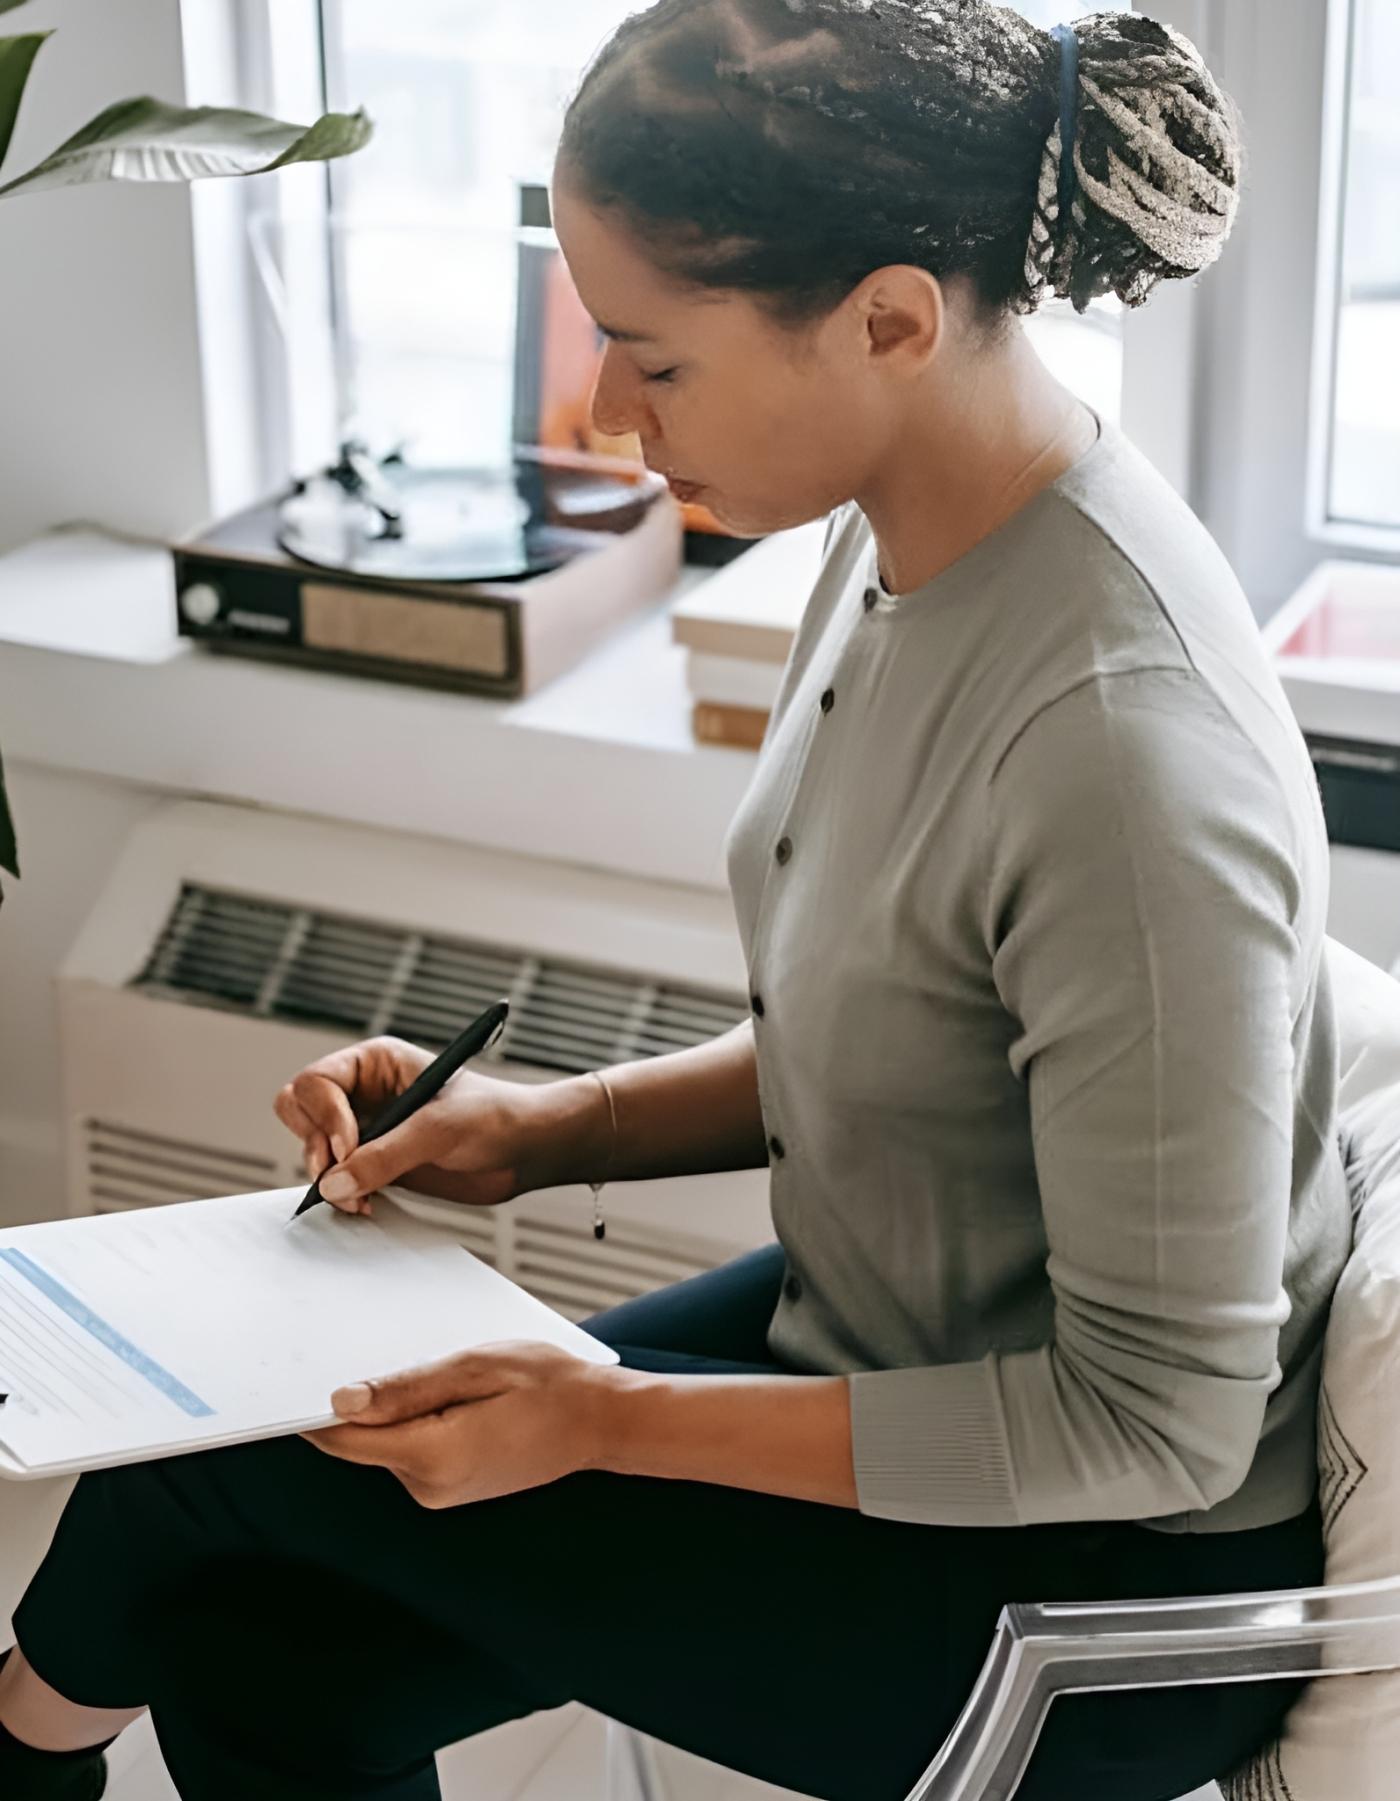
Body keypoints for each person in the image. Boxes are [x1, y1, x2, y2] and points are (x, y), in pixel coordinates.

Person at [0, 5, 1353, 1799]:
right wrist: (537, 1133)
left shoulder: (1120, 748)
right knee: (261, 1642)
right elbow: (891, 1032)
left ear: (889, 319)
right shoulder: (906, 530)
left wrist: (608, 1419)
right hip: (890, 1349)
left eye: (652, 358)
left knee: (229, 1452)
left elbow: (1155, 1424)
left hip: (1098, 1592)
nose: (601, 413)